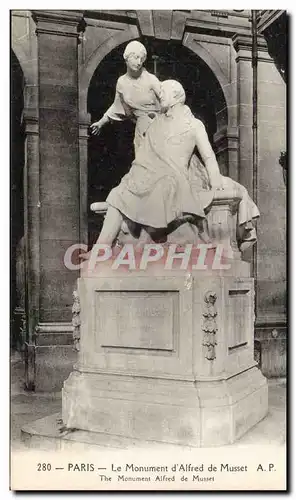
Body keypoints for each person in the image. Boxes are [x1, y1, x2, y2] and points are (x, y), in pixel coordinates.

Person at [81, 80, 259, 257]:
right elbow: (145, 157)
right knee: (118, 192)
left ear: (175, 96)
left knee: (164, 185)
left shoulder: (194, 124)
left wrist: (216, 183)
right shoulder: (155, 124)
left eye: (162, 93)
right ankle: (101, 248)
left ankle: (148, 243)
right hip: (150, 173)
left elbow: (208, 156)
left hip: (176, 177)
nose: (159, 97)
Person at [90, 40, 162, 153]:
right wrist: (101, 122)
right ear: (127, 57)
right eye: (136, 57)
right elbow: (117, 106)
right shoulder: (122, 82)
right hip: (141, 128)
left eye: (142, 59)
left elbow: (167, 100)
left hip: (158, 126)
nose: (139, 62)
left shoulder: (151, 80)